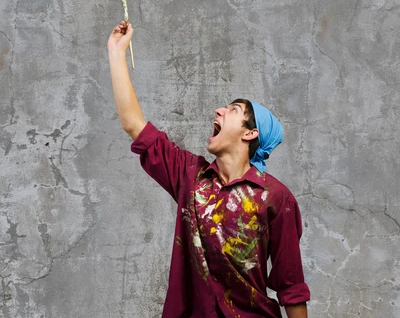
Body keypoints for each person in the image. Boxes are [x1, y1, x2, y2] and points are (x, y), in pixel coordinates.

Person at [107, 20, 310, 318]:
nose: (219, 111)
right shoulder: (190, 175)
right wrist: (116, 52)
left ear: (250, 133)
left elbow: (291, 286)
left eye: (233, 110)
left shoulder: (276, 198)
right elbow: (133, 124)